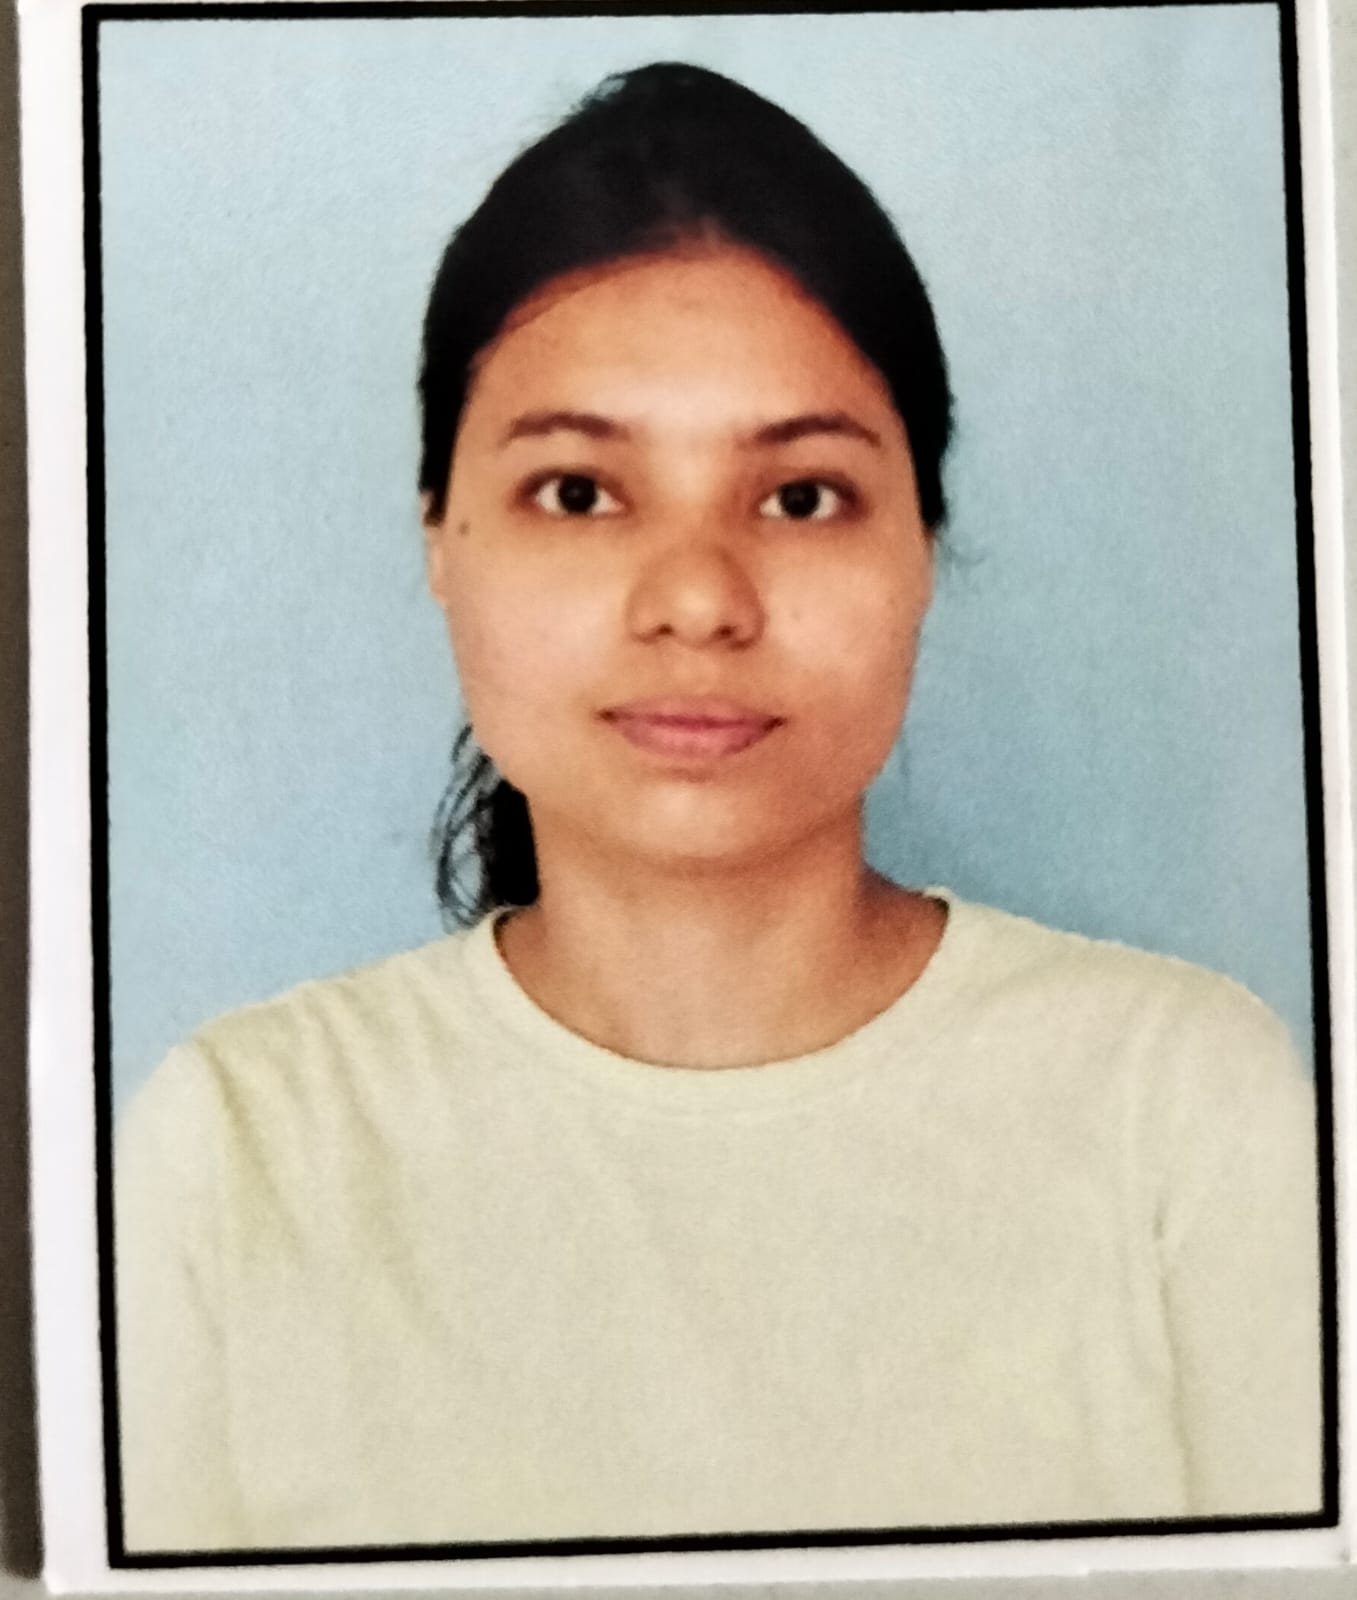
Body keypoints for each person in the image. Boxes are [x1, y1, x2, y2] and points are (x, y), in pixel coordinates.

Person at [114, 61, 1322, 1555]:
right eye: (579, 492)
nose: (697, 599)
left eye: (800, 497)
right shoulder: (236, 1153)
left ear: (923, 543)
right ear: (438, 534)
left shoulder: (1183, 1110)